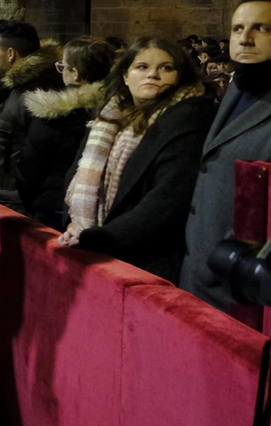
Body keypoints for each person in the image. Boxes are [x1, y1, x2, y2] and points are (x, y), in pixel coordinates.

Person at [58, 38, 214, 282]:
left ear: (180, 77)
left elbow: (166, 202)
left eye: (166, 68)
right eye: (142, 67)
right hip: (95, 246)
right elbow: (76, 173)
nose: (153, 74)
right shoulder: (109, 117)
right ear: (125, 76)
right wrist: (74, 224)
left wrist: (100, 238)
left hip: (145, 261)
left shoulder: (188, 121)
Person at [183, 0, 271, 309]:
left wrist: (243, 264)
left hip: (239, 292)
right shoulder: (236, 88)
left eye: (262, 28)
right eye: (237, 29)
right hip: (198, 274)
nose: (245, 38)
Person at [17, 37, 116, 229]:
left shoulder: (55, 114)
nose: (61, 72)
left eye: (62, 66)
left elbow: (29, 166)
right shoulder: (119, 110)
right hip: (102, 211)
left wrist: (32, 203)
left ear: (75, 73)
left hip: (55, 206)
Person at [0, 20, 62, 211]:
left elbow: (38, 161)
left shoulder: (34, 95)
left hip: (19, 205)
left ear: (10, 54)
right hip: (5, 199)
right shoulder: (13, 90)